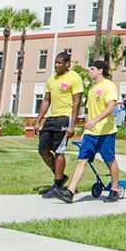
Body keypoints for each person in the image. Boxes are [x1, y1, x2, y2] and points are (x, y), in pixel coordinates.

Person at [54, 60, 121, 203]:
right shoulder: (91, 89)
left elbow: (111, 107)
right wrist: (85, 130)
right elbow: (90, 113)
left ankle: (114, 190)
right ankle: (70, 192)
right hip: (91, 133)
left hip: (106, 132)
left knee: (109, 160)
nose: (89, 71)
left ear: (101, 70)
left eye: (92, 68)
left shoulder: (109, 86)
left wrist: (96, 120)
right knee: (81, 160)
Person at [32, 52, 83, 198]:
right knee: (43, 150)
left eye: (59, 63)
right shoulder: (51, 79)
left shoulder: (74, 78)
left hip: (64, 119)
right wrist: (38, 121)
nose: (56, 65)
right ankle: (60, 177)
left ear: (67, 63)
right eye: (55, 62)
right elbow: (46, 100)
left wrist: (72, 125)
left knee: (59, 151)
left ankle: (57, 185)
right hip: (51, 118)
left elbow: (77, 102)